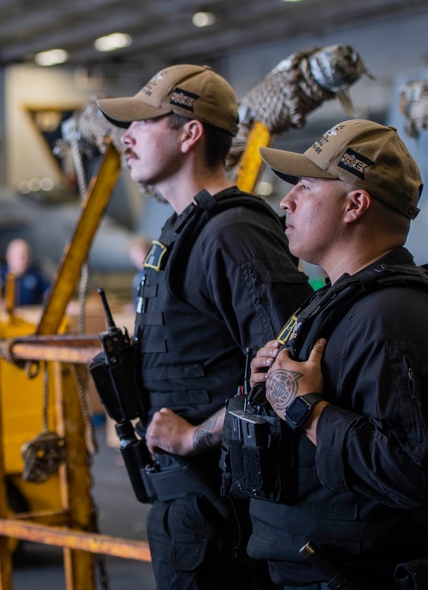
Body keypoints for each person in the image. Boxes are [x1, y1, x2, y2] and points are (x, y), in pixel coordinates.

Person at [97, 64, 312, 590]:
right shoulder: (181, 231)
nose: (128, 137)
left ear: (190, 133)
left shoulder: (231, 232)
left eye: (145, 122)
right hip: (191, 506)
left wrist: (195, 436)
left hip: (224, 514)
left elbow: (289, 368)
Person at [247, 119, 428, 589]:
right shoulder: (339, 301)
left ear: (355, 204)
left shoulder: (392, 313)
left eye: (304, 187)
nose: (285, 201)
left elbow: (411, 473)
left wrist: (305, 411)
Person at [0, 238, 50, 307]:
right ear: (9, 257)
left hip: (31, 314)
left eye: (28, 256)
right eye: (22, 257)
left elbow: (48, 292)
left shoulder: (35, 273)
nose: (26, 260)